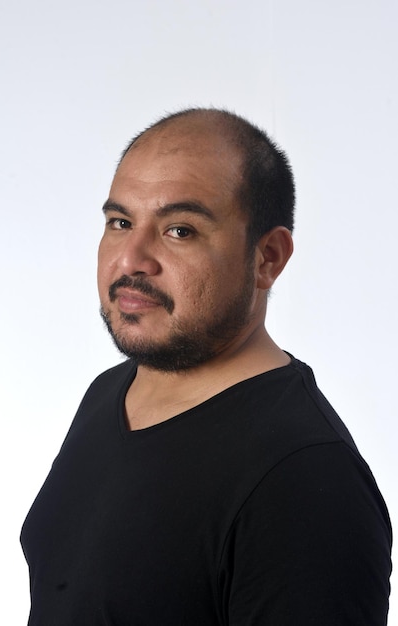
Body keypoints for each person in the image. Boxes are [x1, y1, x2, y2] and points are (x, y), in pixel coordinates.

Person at [21, 108, 392, 625]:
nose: (131, 259)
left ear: (267, 257)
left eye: (179, 230)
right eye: (121, 222)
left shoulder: (305, 478)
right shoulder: (112, 391)